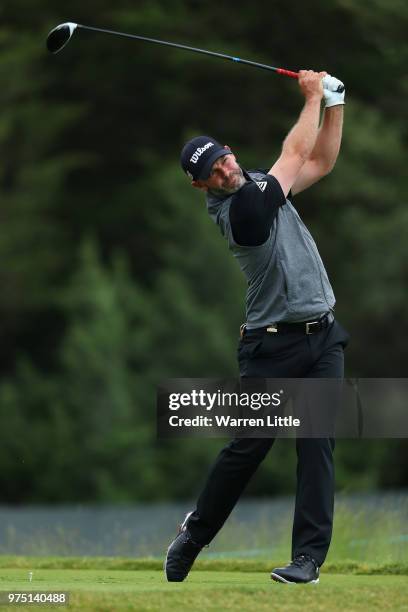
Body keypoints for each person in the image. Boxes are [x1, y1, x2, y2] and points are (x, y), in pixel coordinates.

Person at [165, 70, 349, 584]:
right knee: (248, 448)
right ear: (200, 185)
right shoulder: (240, 210)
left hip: (324, 338)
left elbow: (321, 161)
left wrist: (335, 103)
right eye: (212, 173)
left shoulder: (263, 186)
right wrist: (313, 96)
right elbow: (294, 156)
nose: (224, 172)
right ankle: (194, 534)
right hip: (271, 350)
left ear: (229, 150)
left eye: (222, 160)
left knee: (317, 442)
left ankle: (308, 560)